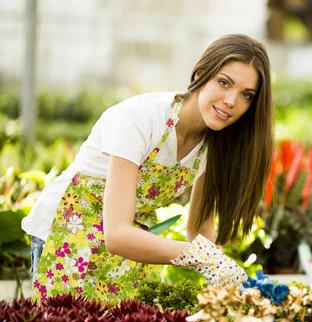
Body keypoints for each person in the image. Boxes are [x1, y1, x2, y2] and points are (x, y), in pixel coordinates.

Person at [21, 34, 274, 301]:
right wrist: (198, 255)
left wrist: (230, 285)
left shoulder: (217, 142)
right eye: (224, 83)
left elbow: (200, 230)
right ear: (200, 74)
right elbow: (117, 235)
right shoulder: (140, 119)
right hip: (68, 232)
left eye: (246, 95)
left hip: (133, 238)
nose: (232, 101)